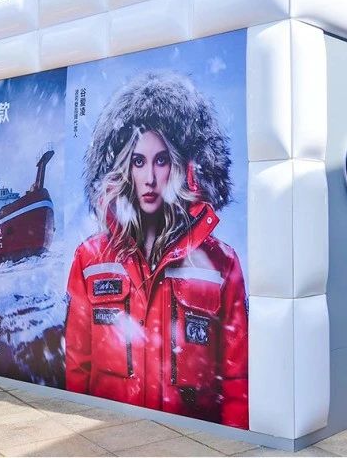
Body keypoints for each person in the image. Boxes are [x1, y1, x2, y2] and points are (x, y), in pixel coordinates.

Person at [64, 71, 248, 428]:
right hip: (110, 437)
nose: (149, 178)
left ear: (182, 167)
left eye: (161, 160)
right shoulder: (90, 260)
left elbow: (236, 382)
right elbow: (77, 367)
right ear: (124, 168)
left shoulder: (220, 265)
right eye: (138, 161)